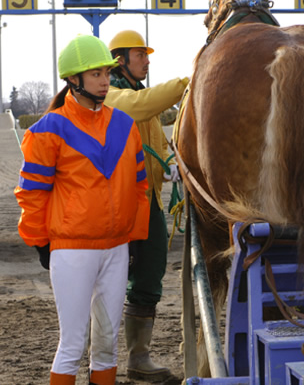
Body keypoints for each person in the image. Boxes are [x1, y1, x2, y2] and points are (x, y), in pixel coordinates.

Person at [14, 34, 150, 385]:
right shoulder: (47, 131)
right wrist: (40, 241)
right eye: (96, 75)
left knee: (107, 346)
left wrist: (134, 237)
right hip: (72, 250)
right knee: (72, 345)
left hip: (117, 248)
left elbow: (139, 187)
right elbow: (32, 194)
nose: (105, 81)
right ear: (73, 80)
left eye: (106, 72)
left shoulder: (126, 126)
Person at [102, 29, 189, 382]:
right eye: (141, 55)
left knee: (149, 276)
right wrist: (190, 80)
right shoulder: (111, 93)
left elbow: (153, 133)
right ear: (120, 59)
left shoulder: (137, 93)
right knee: (111, 281)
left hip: (150, 201)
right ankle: (102, 360)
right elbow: (140, 108)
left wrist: (169, 161)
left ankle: (139, 358)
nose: (147, 61)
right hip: (119, 203)